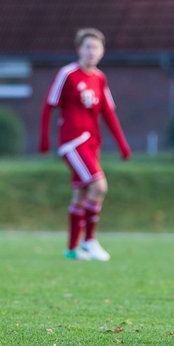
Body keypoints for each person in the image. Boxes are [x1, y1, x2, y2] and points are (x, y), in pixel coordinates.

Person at [40, 28, 131, 261]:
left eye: (96, 48)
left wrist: (122, 144)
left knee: (81, 193)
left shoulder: (100, 78)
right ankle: (90, 241)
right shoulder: (68, 74)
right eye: (88, 47)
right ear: (79, 49)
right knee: (99, 186)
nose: (92, 52)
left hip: (92, 142)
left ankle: (72, 249)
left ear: (102, 52)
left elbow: (108, 113)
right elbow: (49, 105)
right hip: (72, 142)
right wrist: (44, 139)